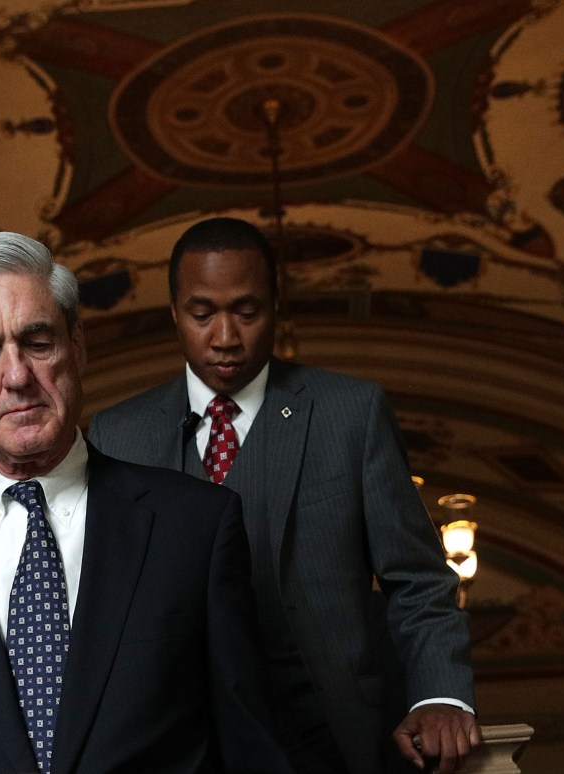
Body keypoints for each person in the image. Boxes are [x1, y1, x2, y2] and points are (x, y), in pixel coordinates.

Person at [0, 231, 291, 773]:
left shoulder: (195, 526)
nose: (16, 376)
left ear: (77, 346)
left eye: (37, 342)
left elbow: (252, 751)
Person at [88, 217, 481, 774]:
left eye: (247, 312)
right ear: (173, 313)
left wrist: (441, 694)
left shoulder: (351, 414)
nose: (225, 336)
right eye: (202, 315)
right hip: (175, 744)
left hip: (328, 736)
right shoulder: (115, 435)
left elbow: (417, 579)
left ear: (276, 306)